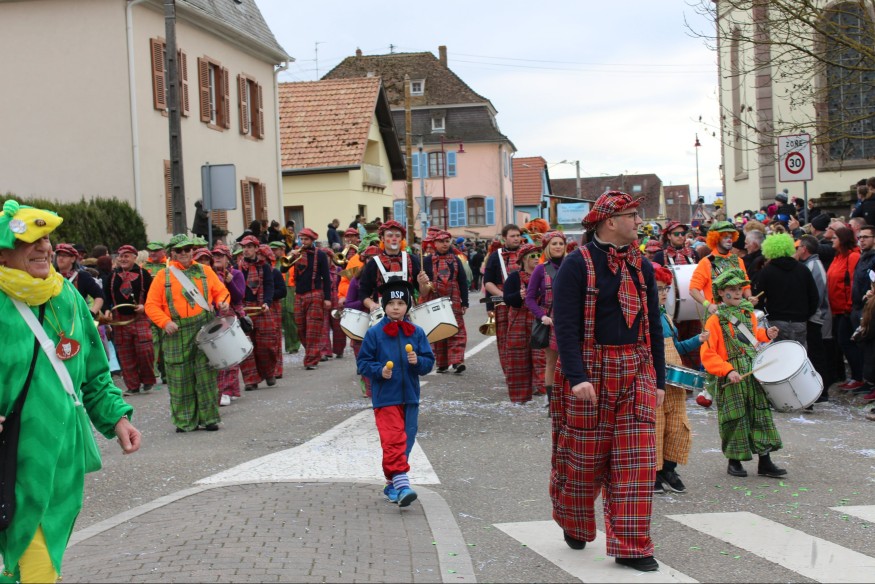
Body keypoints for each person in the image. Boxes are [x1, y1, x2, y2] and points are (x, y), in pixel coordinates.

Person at [0, 200, 141, 583]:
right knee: (33, 556)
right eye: (31, 240)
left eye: (46, 238)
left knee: (44, 555)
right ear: (3, 252)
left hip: (65, 454)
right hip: (14, 454)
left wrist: (116, 418)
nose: (44, 248)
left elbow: (94, 372)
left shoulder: (68, 297)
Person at [550, 191, 665, 572]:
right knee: (584, 463)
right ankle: (575, 522)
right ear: (610, 221)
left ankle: (633, 547)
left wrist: (660, 381)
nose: (638, 222)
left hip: (636, 368)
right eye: (632, 215)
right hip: (591, 371)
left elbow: (652, 328)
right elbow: (565, 327)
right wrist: (577, 376)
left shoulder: (641, 265)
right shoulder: (575, 264)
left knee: (639, 461)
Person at [356, 278, 435, 507]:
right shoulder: (375, 334)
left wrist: (417, 360)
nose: (396, 307)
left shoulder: (417, 332)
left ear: (407, 306)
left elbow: (429, 362)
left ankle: (392, 484)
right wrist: (379, 371)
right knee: (393, 441)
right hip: (386, 398)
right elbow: (363, 364)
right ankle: (402, 485)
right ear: (384, 306)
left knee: (405, 442)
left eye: (401, 303)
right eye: (391, 303)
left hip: (410, 397)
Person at [699, 268, 785, 479]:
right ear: (721, 293)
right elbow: (708, 353)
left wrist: (766, 334)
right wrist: (727, 371)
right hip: (731, 374)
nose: (737, 293)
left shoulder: (748, 314)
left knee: (760, 413)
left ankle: (765, 461)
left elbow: (751, 337)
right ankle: (734, 461)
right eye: (732, 289)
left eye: (739, 289)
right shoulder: (714, 321)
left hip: (752, 371)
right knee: (735, 417)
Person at [144, 234, 230, 432]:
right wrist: (165, 322)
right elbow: (151, 306)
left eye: (188, 249)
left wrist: (223, 302)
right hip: (176, 332)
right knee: (179, 379)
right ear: (172, 253)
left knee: (206, 376)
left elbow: (221, 291)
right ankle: (185, 422)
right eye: (179, 250)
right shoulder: (162, 276)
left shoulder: (205, 271)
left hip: (203, 328)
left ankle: (209, 418)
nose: (184, 253)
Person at [652, 265, 707, 494]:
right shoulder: (642, 317)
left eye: (666, 288)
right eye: (659, 289)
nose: (664, 293)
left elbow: (677, 348)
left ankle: (669, 469)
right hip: (654, 378)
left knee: (677, 424)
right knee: (656, 424)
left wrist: (698, 339)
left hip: (674, 379)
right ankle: (653, 472)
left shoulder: (666, 315)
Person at [103, 244, 156, 396]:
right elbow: (105, 296)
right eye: (120, 256)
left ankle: (147, 381)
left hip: (139, 318)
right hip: (119, 320)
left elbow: (153, 295)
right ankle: (132, 386)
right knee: (125, 353)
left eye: (127, 256)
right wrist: (107, 310)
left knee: (145, 350)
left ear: (134, 257)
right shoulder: (111, 276)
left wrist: (144, 306)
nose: (123, 259)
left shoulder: (144, 274)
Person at [525, 231, 566, 403]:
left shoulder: (572, 265)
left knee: (571, 360)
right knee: (552, 362)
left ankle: (568, 398)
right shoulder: (541, 269)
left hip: (571, 319)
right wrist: (542, 316)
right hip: (550, 321)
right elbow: (529, 298)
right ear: (547, 247)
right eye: (554, 244)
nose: (558, 246)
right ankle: (552, 403)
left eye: (561, 243)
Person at [755, 233, 818, 347]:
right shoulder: (802, 269)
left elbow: (759, 298)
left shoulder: (767, 271)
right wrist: (805, 315)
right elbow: (814, 296)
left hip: (776, 321)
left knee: (781, 355)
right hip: (799, 321)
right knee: (799, 355)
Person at [502, 243, 546, 403]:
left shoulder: (544, 274)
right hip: (519, 322)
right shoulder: (514, 277)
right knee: (517, 358)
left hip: (538, 320)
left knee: (541, 357)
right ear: (524, 259)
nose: (536, 259)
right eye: (533, 256)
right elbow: (507, 299)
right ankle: (520, 397)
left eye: (538, 255)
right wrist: (518, 296)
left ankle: (545, 392)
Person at [421, 230, 468, 374]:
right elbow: (423, 283)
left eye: (447, 241)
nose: (444, 244)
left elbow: (462, 281)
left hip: (453, 296)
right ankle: (442, 363)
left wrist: (464, 302)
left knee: (457, 328)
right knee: (439, 329)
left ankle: (457, 361)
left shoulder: (456, 259)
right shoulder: (427, 261)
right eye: (441, 241)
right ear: (434, 243)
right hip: (434, 296)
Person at [358, 221, 429, 313]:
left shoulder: (412, 260)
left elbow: (423, 292)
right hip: (382, 313)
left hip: (408, 314)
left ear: (402, 239)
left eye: (398, 236)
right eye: (390, 236)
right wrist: (372, 304)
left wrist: (422, 284)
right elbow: (363, 292)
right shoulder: (373, 263)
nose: (394, 239)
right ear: (382, 238)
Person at [689, 221, 755, 318]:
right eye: (725, 237)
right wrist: (708, 305)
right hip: (717, 316)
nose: (729, 240)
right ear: (715, 239)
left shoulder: (738, 261)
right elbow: (693, 289)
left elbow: (745, 285)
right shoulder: (706, 262)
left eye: (731, 237)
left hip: (738, 315)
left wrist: (749, 297)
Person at [483, 225, 523, 384]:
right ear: (504, 238)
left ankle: (527, 374)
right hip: (502, 304)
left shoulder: (528, 253)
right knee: (505, 341)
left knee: (525, 340)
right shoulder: (495, 256)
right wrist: (498, 300)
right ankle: (510, 374)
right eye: (512, 236)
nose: (516, 238)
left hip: (525, 303)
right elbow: (488, 283)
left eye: (518, 235)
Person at [795, 236, 833, 398]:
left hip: (816, 317)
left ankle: (821, 391)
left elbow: (816, 296)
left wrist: (807, 314)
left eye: (797, 247)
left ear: (804, 248)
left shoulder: (813, 266)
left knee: (817, 354)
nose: (795, 250)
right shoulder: (808, 265)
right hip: (812, 316)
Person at [237, 235, 277, 387]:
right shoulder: (238, 267)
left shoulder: (264, 266)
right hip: (244, 308)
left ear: (255, 249)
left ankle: (269, 373)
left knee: (266, 346)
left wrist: (267, 302)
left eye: (249, 247)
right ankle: (251, 380)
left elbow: (269, 285)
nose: (246, 250)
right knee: (245, 346)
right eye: (244, 247)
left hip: (261, 308)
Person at [828, 227, 864, 390]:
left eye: (835, 237)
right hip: (837, 308)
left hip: (846, 309)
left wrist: (849, 305)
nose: (831, 239)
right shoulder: (838, 257)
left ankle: (859, 376)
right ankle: (856, 376)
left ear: (842, 239)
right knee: (843, 342)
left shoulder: (852, 256)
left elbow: (853, 283)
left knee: (847, 342)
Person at [292, 228, 332, 370]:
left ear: (312, 240)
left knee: (313, 329)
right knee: (301, 329)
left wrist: (327, 298)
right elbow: (284, 270)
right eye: (301, 239)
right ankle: (312, 351)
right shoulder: (295, 254)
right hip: (299, 295)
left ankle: (311, 360)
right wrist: (291, 257)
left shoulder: (320, 255)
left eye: (306, 239)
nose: (303, 242)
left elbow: (327, 278)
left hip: (315, 293)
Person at [211, 244, 246, 405]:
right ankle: (221, 389)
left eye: (221, 256)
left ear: (228, 258)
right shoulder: (209, 275)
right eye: (215, 255)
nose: (217, 258)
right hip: (214, 317)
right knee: (217, 356)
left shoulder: (236, 274)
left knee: (231, 355)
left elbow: (239, 297)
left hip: (231, 316)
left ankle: (228, 390)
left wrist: (230, 283)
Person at [263, 243, 287, 379]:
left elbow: (282, 291)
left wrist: (268, 296)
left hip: (273, 307)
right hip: (260, 307)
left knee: (275, 338)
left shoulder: (275, 272)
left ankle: (277, 368)